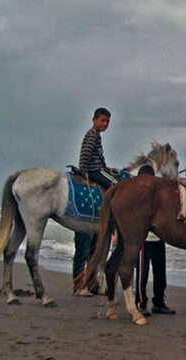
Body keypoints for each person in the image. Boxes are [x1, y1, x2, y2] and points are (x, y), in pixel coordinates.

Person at [73, 107, 115, 296]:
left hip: (98, 168)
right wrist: (84, 172)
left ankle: (90, 283)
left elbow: (98, 155)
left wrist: (105, 165)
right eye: (102, 121)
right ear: (94, 120)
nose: (104, 124)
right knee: (116, 186)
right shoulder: (92, 135)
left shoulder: (97, 135)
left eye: (107, 122)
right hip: (92, 170)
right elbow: (86, 155)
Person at [134, 165, 175, 316]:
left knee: (160, 273)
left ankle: (159, 302)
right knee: (142, 275)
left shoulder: (158, 194)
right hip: (143, 240)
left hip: (158, 238)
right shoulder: (136, 196)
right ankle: (140, 303)